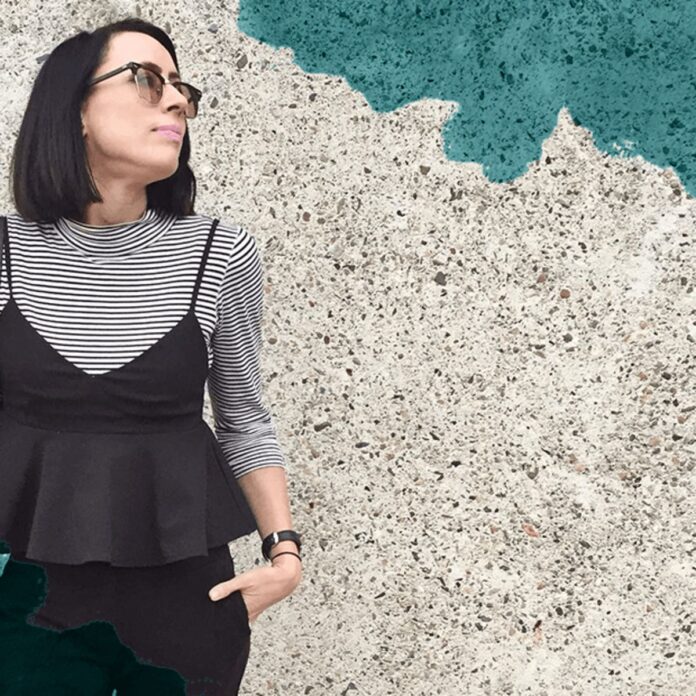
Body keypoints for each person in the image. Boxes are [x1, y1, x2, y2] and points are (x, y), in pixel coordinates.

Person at [0, 16, 302, 695]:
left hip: (185, 603)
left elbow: (244, 417)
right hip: (24, 601)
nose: (176, 101)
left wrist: (283, 554)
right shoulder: (3, 253)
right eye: (146, 79)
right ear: (75, 107)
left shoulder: (222, 253)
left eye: (181, 88)